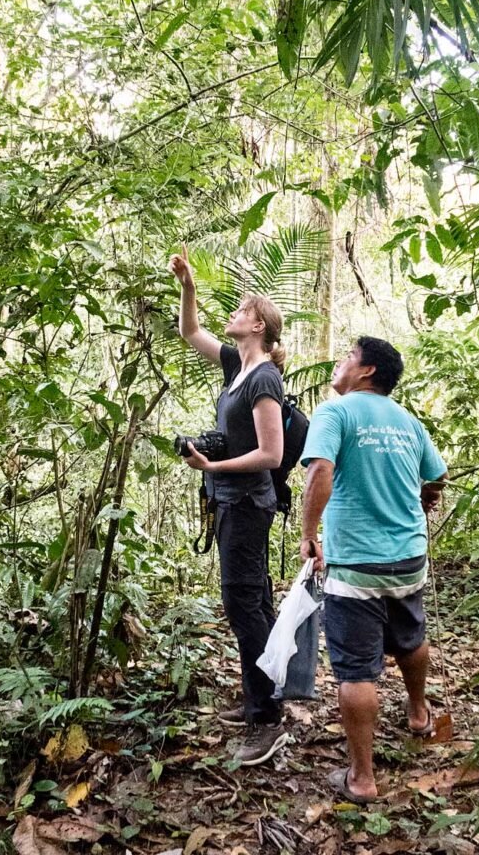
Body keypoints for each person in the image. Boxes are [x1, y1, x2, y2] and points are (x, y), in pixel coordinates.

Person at [299, 336, 447, 804]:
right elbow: (436, 472)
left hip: (356, 563)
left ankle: (361, 778)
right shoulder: (408, 421)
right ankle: (419, 714)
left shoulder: (335, 412)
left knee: (356, 672)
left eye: (348, 356)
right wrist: (424, 500)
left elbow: (320, 470)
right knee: (411, 635)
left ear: (366, 371)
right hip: (408, 557)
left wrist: (309, 533)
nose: (340, 364)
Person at [168, 244, 288, 766]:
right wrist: (187, 286)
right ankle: (260, 695)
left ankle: (267, 719)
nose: (233, 316)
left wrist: (212, 467)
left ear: (258, 325)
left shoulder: (264, 379)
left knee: (244, 603)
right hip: (232, 502)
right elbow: (190, 332)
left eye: (241, 311)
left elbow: (271, 453)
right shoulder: (237, 366)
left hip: (247, 502)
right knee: (254, 599)